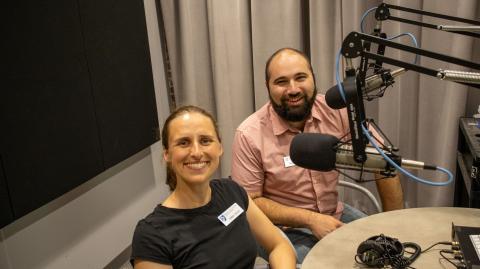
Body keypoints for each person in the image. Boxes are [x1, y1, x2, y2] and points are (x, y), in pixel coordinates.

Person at [231, 48, 404, 263]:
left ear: (313, 78)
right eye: (281, 82)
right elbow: (250, 202)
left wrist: (394, 225)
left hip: (334, 214)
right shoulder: (249, 134)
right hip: (281, 230)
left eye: (300, 77)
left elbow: (383, 163)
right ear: (268, 87)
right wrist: (311, 219)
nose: (293, 89)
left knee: (388, 255)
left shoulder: (339, 112)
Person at [131, 105, 296, 269]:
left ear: (220, 147)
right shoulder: (151, 235)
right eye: (183, 143)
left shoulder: (231, 191)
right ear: (167, 154)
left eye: (205, 141)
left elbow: (279, 245)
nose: (196, 152)